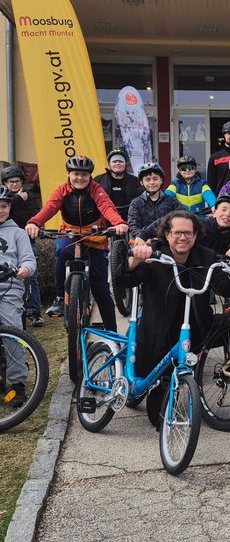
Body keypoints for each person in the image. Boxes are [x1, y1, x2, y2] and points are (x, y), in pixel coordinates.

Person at [122, 210, 230, 426]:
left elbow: (225, 287)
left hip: (197, 328)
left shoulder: (205, 256)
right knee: (157, 417)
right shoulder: (155, 254)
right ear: (167, 234)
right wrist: (135, 259)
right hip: (160, 334)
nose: (183, 237)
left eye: (188, 233)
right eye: (177, 232)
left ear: (196, 235)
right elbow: (125, 279)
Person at [25, 156, 128, 331]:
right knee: (63, 253)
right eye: (76, 174)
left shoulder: (97, 190)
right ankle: (59, 297)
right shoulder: (62, 191)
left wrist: (118, 223)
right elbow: (50, 207)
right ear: (68, 173)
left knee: (101, 290)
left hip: (94, 237)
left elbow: (106, 207)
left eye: (84, 174)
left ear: (90, 176)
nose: (80, 178)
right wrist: (35, 222)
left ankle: (113, 333)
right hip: (70, 234)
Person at [0, 187, 38, 407]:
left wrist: (24, 269)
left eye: (3, 207)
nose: (0, 211)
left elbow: (29, 260)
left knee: (12, 331)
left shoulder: (18, 233)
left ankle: (18, 385)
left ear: (9, 207)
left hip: (9, 287)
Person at [2, 165, 42, 324]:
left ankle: (35, 310)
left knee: (32, 276)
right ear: (5, 183)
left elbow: (29, 216)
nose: (14, 185)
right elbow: (12, 214)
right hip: (9, 239)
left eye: (17, 181)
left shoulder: (29, 196)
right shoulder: (12, 197)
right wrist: (18, 200)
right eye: (11, 182)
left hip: (24, 239)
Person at [126, 162, 181, 238]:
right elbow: (133, 225)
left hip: (168, 242)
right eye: (147, 180)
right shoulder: (136, 203)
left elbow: (182, 217)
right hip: (145, 243)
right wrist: (142, 238)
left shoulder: (171, 201)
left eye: (155, 179)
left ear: (161, 180)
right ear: (142, 182)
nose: (152, 182)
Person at [94, 149, 142, 221]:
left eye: (120, 161)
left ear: (125, 164)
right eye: (114, 161)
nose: (117, 163)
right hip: (105, 218)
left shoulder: (135, 181)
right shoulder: (98, 180)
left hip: (129, 218)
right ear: (109, 165)